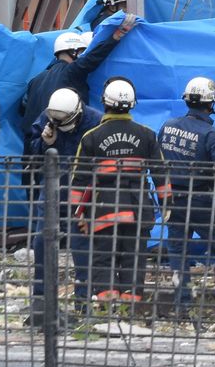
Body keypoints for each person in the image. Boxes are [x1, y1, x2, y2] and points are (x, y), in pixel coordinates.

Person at [72, 77, 171, 302]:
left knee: (103, 257)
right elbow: (160, 173)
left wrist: (76, 213)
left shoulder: (91, 137)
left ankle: (107, 305)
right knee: (133, 258)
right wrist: (166, 203)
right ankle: (130, 305)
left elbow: (80, 179)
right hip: (138, 209)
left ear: (104, 102)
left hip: (104, 208)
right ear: (132, 104)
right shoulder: (146, 134)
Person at [157, 77, 215, 305]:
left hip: (173, 200)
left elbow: (159, 161)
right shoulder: (212, 135)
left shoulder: (167, 127)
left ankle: (182, 304)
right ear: (211, 102)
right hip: (201, 200)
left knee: (178, 253)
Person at [23, 88, 99, 317]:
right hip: (51, 188)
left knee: (81, 246)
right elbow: (32, 151)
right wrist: (46, 143)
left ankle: (83, 302)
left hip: (81, 192)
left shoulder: (94, 121)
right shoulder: (48, 117)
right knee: (41, 242)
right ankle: (41, 298)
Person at [18, 16, 136, 127]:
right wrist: (116, 36)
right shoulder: (71, 72)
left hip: (32, 141)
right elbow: (93, 58)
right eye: (81, 53)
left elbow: (22, 109)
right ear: (73, 52)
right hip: (60, 136)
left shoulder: (36, 80)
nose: (82, 56)